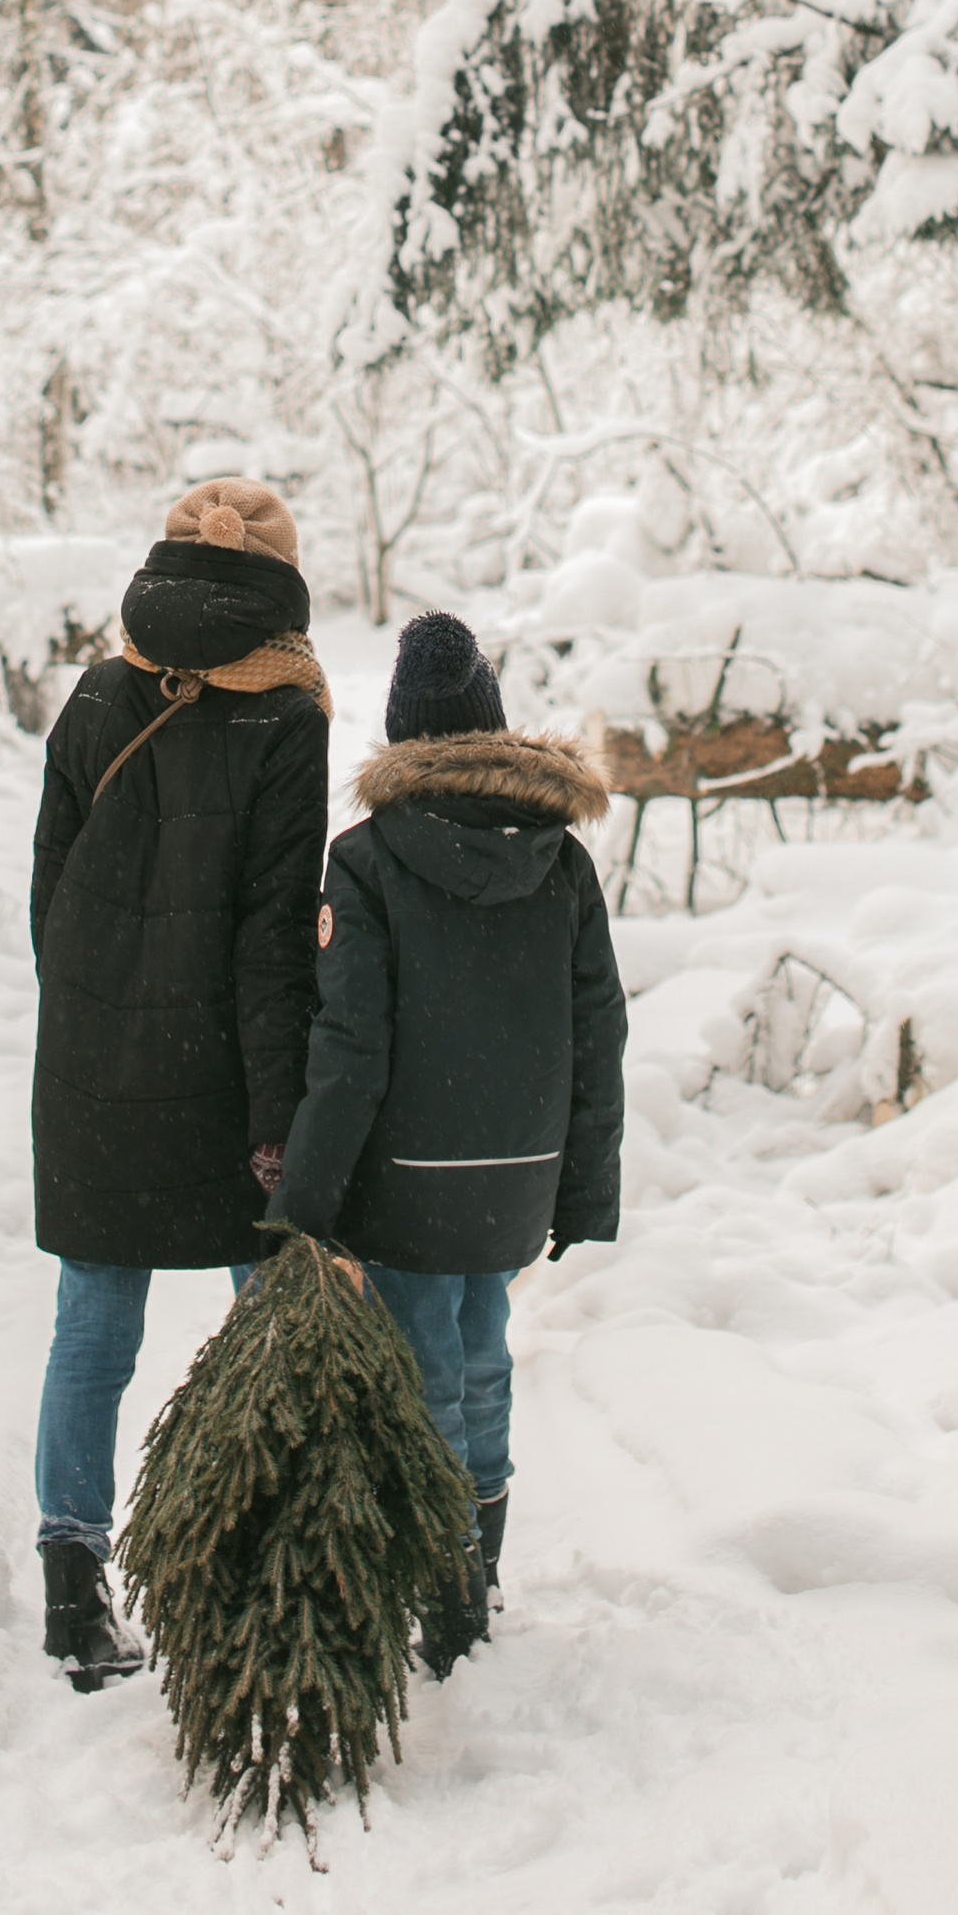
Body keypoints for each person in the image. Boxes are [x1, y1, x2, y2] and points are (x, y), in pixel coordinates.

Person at [270, 609, 626, 1673]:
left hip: (405, 1178)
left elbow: (351, 1046)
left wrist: (308, 1200)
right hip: (517, 1176)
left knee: (425, 1372)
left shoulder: (368, 861)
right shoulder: (559, 863)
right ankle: (478, 1567)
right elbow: (597, 1029)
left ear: (400, 738)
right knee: (480, 1360)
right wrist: (582, 1192)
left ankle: (448, 1588)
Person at [28, 476, 330, 1689]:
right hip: (221, 1067)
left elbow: (48, 893)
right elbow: (272, 937)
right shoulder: (287, 717)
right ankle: (255, 1556)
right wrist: (277, 1117)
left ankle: (72, 1586)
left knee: (92, 1326)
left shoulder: (99, 693)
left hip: (94, 1056)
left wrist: (96, 1010)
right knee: (270, 1318)